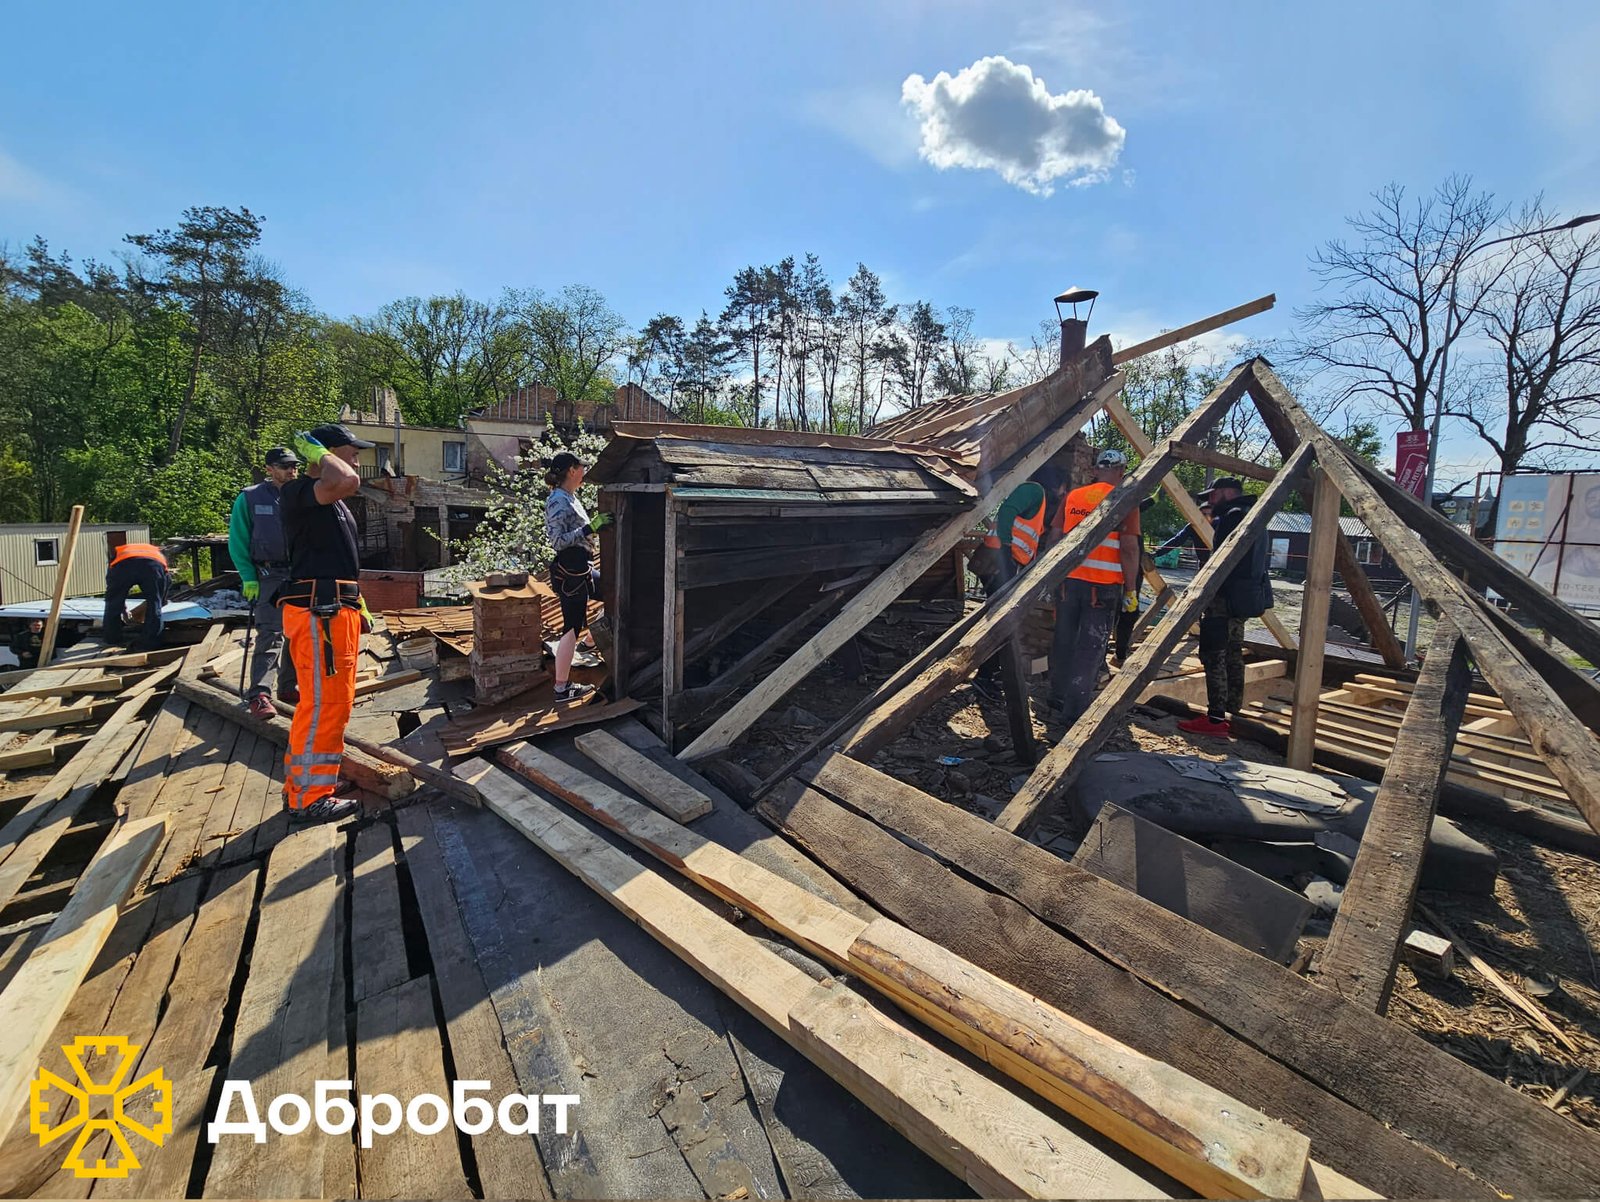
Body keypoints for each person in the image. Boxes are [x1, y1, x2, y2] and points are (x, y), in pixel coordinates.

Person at [275, 423, 375, 824]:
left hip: (336, 611)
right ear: (324, 454)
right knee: (323, 706)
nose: (357, 458)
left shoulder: (330, 503)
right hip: (320, 615)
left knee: (331, 704)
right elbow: (346, 479)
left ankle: (312, 786)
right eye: (350, 450)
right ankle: (309, 796)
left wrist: (359, 602)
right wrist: (316, 453)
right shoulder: (298, 493)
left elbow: (339, 559)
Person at [1047, 449, 1141, 723]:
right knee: (1091, 649)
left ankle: (1056, 698)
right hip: (1102, 589)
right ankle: (1074, 712)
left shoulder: (1073, 497)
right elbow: (1129, 548)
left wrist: (1051, 575)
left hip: (1069, 583)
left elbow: (1055, 535)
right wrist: (1131, 590)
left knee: (1063, 641)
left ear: (1096, 469)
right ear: (1122, 472)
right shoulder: (1125, 500)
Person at [1179, 477, 1274, 738]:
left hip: (1224, 599)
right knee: (1233, 654)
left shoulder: (1232, 517)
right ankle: (1233, 713)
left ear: (1225, 493)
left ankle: (1215, 719)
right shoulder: (1254, 516)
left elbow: (1220, 561)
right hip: (1245, 599)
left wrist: (1206, 595)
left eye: (1213, 496)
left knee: (1213, 655)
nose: (1210, 502)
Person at [228, 446, 302, 719]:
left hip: (298, 574)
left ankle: (288, 685)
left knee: (296, 633)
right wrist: (248, 577)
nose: (291, 470)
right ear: (269, 468)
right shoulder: (249, 498)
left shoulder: (302, 495)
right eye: (285, 466)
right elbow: (238, 540)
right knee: (271, 633)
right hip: (268, 575)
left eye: (294, 465)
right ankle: (259, 694)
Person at [972, 474, 1057, 700]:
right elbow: (1007, 510)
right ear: (1061, 486)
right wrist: (1007, 551)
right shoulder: (1033, 489)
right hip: (1000, 561)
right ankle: (984, 677)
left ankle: (992, 672)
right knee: (1001, 623)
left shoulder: (1038, 506)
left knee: (1001, 621)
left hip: (1003, 562)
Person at [544, 451, 612, 703]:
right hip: (570, 570)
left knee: (614, 592)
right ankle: (561, 688)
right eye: (581, 468)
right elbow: (557, 541)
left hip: (581, 567)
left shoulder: (570, 497)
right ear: (571, 471)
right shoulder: (558, 501)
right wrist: (590, 528)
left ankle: (590, 640)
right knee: (570, 628)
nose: (584, 472)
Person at [103, 541, 171, 649]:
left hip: (123, 565)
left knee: (113, 604)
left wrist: (121, 607)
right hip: (152, 567)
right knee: (155, 604)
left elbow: (113, 589)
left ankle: (112, 638)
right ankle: (151, 642)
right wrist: (160, 600)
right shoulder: (158, 553)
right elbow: (164, 588)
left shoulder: (119, 551)